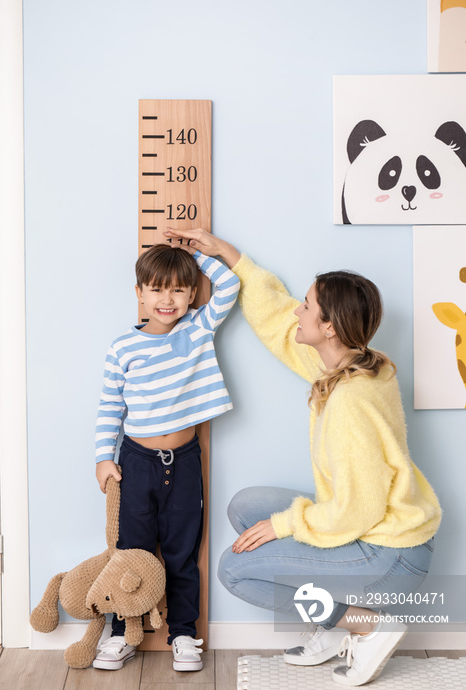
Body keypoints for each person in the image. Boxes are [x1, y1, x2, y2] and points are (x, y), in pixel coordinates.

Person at [163, 227, 442, 687]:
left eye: (307, 306)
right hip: (378, 533)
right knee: (246, 506)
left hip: (391, 556)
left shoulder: (352, 402)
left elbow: (358, 509)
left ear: (329, 326)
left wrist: (285, 525)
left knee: (235, 571)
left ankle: (368, 624)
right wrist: (229, 255)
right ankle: (334, 631)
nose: (298, 309)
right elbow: (276, 319)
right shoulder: (353, 362)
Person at [93, 243, 240, 672]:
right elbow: (109, 407)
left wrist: (198, 256)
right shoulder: (123, 347)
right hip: (136, 461)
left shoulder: (197, 328)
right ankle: (122, 633)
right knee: (131, 551)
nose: (167, 299)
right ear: (139, 292)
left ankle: (183, 634)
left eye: (179, 290)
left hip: (186, 461)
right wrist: (104, 457)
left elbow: (229, 284)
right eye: (157, 290)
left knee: (181, 551)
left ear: (193, 294)